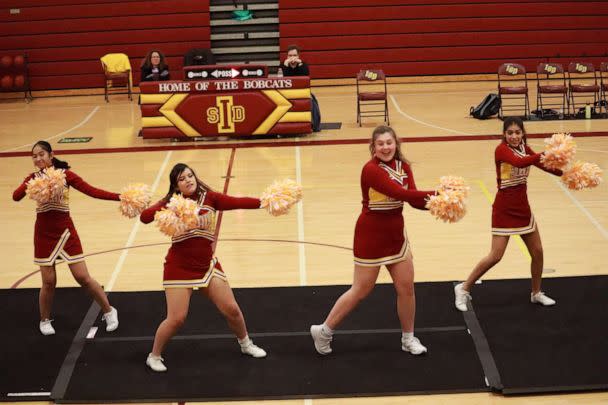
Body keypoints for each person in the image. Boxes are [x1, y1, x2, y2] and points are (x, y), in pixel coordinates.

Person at [310, 125, 435, 356]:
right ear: (373, 147)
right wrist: (439, 193)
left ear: (396, 143)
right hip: (371, 236)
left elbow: (414, 201)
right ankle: (324, 331)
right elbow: (400, 194)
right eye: (381, 144)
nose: (386, 147)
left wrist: (441, 205)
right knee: (360, 290)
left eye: (389, 142)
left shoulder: (404, 167)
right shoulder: (370, 170)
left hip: (396, 236)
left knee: (406, 288)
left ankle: (408, 338)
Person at [140, 163, 267, 372]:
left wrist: (266, 202)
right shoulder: (172, 202)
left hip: (207, 265)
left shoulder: (211, 198)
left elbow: (238, 202)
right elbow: (145, 218)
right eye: (182, 179)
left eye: (190, 175)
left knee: (232, 309)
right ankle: (154, 355)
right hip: (179, 268)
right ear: (176, 185)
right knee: (176, 318)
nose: (188, 180)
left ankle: (246, 344)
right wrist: (167, 201)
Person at [454, 117, 563, 312]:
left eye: (517, 132)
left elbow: (545, 166)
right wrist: (546, 153)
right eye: (510, 133)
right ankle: (463, 288)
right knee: (496, 255)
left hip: (523, 208)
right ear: (504, 134)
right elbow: (519, 163)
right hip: (504, 209)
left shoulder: (525, 149)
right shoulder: (502, 150)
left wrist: (565, 172)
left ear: (523, 134)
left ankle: (536, 293)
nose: (514, 136)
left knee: (537, 251)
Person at [12, 141, 119, 336]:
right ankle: (44, 319)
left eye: (41, 154)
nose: (38, 158)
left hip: (65, 232)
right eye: (34, 156)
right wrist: (33, 182)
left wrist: (120, 197)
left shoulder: (65, 175)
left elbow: (92, 191)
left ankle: (109, 310)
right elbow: (15, 196)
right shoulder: (33, 178)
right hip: (43, 233)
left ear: (51, 155)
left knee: (82, 277)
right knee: (49, 281)